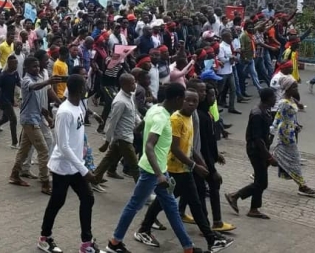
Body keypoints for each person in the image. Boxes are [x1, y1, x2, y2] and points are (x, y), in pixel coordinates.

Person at [106, 84, 209, 253]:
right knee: (134, 206)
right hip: (152, 172)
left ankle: (188, 247)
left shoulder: (155, 108)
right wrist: (159, 174)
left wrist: (136, 134)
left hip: (159, 169)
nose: (185, 103)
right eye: (183, 99)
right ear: (177, 99)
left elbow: (140, 128)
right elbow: (149, 146)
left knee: (171, 208)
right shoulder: (161, 117)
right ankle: (114, 243)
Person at [37, 74, 99, 253]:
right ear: (79, 90)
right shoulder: (64, 112)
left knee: (88, 198)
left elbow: (77, 137)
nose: (88, 88)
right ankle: (44, 238)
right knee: (57, 202)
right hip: (63, 168)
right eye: (85, 86)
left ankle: (86, 243)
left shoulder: (78, 105)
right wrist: (84, 169)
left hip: (76, 166)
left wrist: (83, 161)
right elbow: (63, 145)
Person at [225, 88, 277, 219]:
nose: (275, 99)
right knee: (262, 183)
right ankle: (235, 195)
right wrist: (269, 157)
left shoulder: (264, 111)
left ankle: (254, 208)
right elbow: (258, 139)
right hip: (256, 151)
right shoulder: (257, 114)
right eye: (274, 97)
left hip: (262, 149)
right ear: (268, 98)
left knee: (259, 180)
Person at [90, 73, 140, 191]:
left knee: (108, 159)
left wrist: (141, 123)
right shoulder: (120, 101)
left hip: (127, 135)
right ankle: (143, 192)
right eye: (132, 83)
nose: (135, 85)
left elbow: (133, 114)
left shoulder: (130, 95)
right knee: (134, 165)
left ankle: (94, 179)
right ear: (124, 85)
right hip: (123, 138)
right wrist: (107, 141)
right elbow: (112, 123)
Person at [271, 77, 315, 197]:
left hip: (290, 130)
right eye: (294, 87)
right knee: (295, 159)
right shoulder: (284, 103)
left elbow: (293, 115)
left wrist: (296, 124)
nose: (296, 89)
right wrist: (273, 128)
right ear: (287, 88)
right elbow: (278, 116)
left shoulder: (290, 99)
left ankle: (258, 173)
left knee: (277, 154)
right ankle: (302, 186)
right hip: (286, 133)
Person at [0, 55, 21, 147]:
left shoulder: (15, 73)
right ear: (9, 64)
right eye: (14, 63)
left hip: (10, 99)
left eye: (16, 63)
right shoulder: (3, 76)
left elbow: (20, 84)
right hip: (4, 101)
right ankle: (14, 143)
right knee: (13, 119)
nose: (16, 65)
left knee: (5, 118)